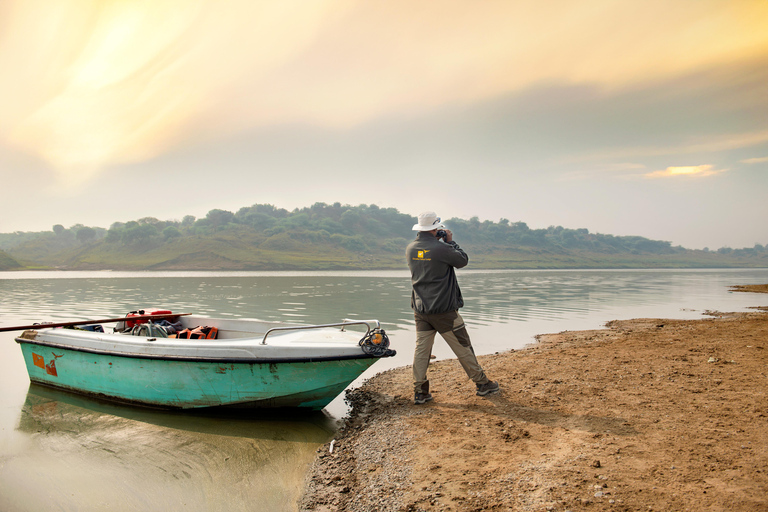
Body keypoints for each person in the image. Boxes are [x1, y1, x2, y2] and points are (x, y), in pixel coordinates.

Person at [406, 211, 500, 404]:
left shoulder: (411, 248)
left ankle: (420, 392)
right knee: (463, 346)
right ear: (435, 228)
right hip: (444, 311)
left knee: (422, 350)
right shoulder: (441, 249)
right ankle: (482, 384)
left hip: (421, 309)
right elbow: (462, 260)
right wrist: (450, 241)